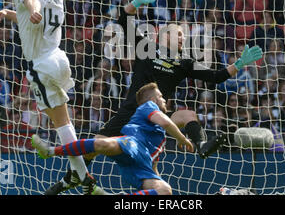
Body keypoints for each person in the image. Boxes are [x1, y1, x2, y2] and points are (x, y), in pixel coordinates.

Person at [47, 0, 263, 194]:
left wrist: (239, 64)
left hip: (157, 116)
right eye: (178, 34)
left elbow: (215, 77)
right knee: (95, 146)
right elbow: (123, 20)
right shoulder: (146, 48)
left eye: (183, 37)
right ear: (162, 35)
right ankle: (71, 177)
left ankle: (201, 146)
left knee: (187, 114)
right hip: (131, 112)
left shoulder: (184, 62)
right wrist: (136, 2)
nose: (182, 38)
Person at [0, 0, 94, 194]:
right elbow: (31, 17)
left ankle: (82, 175)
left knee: (61, 123)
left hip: (40, 65)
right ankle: (77, 171)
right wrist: (9, 13)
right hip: (59, 58)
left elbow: (30, 3)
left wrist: (32, 9)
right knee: (61, 119)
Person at [32, 82, 194, 195]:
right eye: (160, 96)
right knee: (103, 143)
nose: (164, 99)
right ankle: (51, 150)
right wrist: (182, 138)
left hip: (140, 165)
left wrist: (155, 178)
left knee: (165, 191)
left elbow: (154, 163)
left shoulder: (158, 135)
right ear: (153, 100)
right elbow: (166, 122)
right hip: (132, 144)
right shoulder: (148, 107)